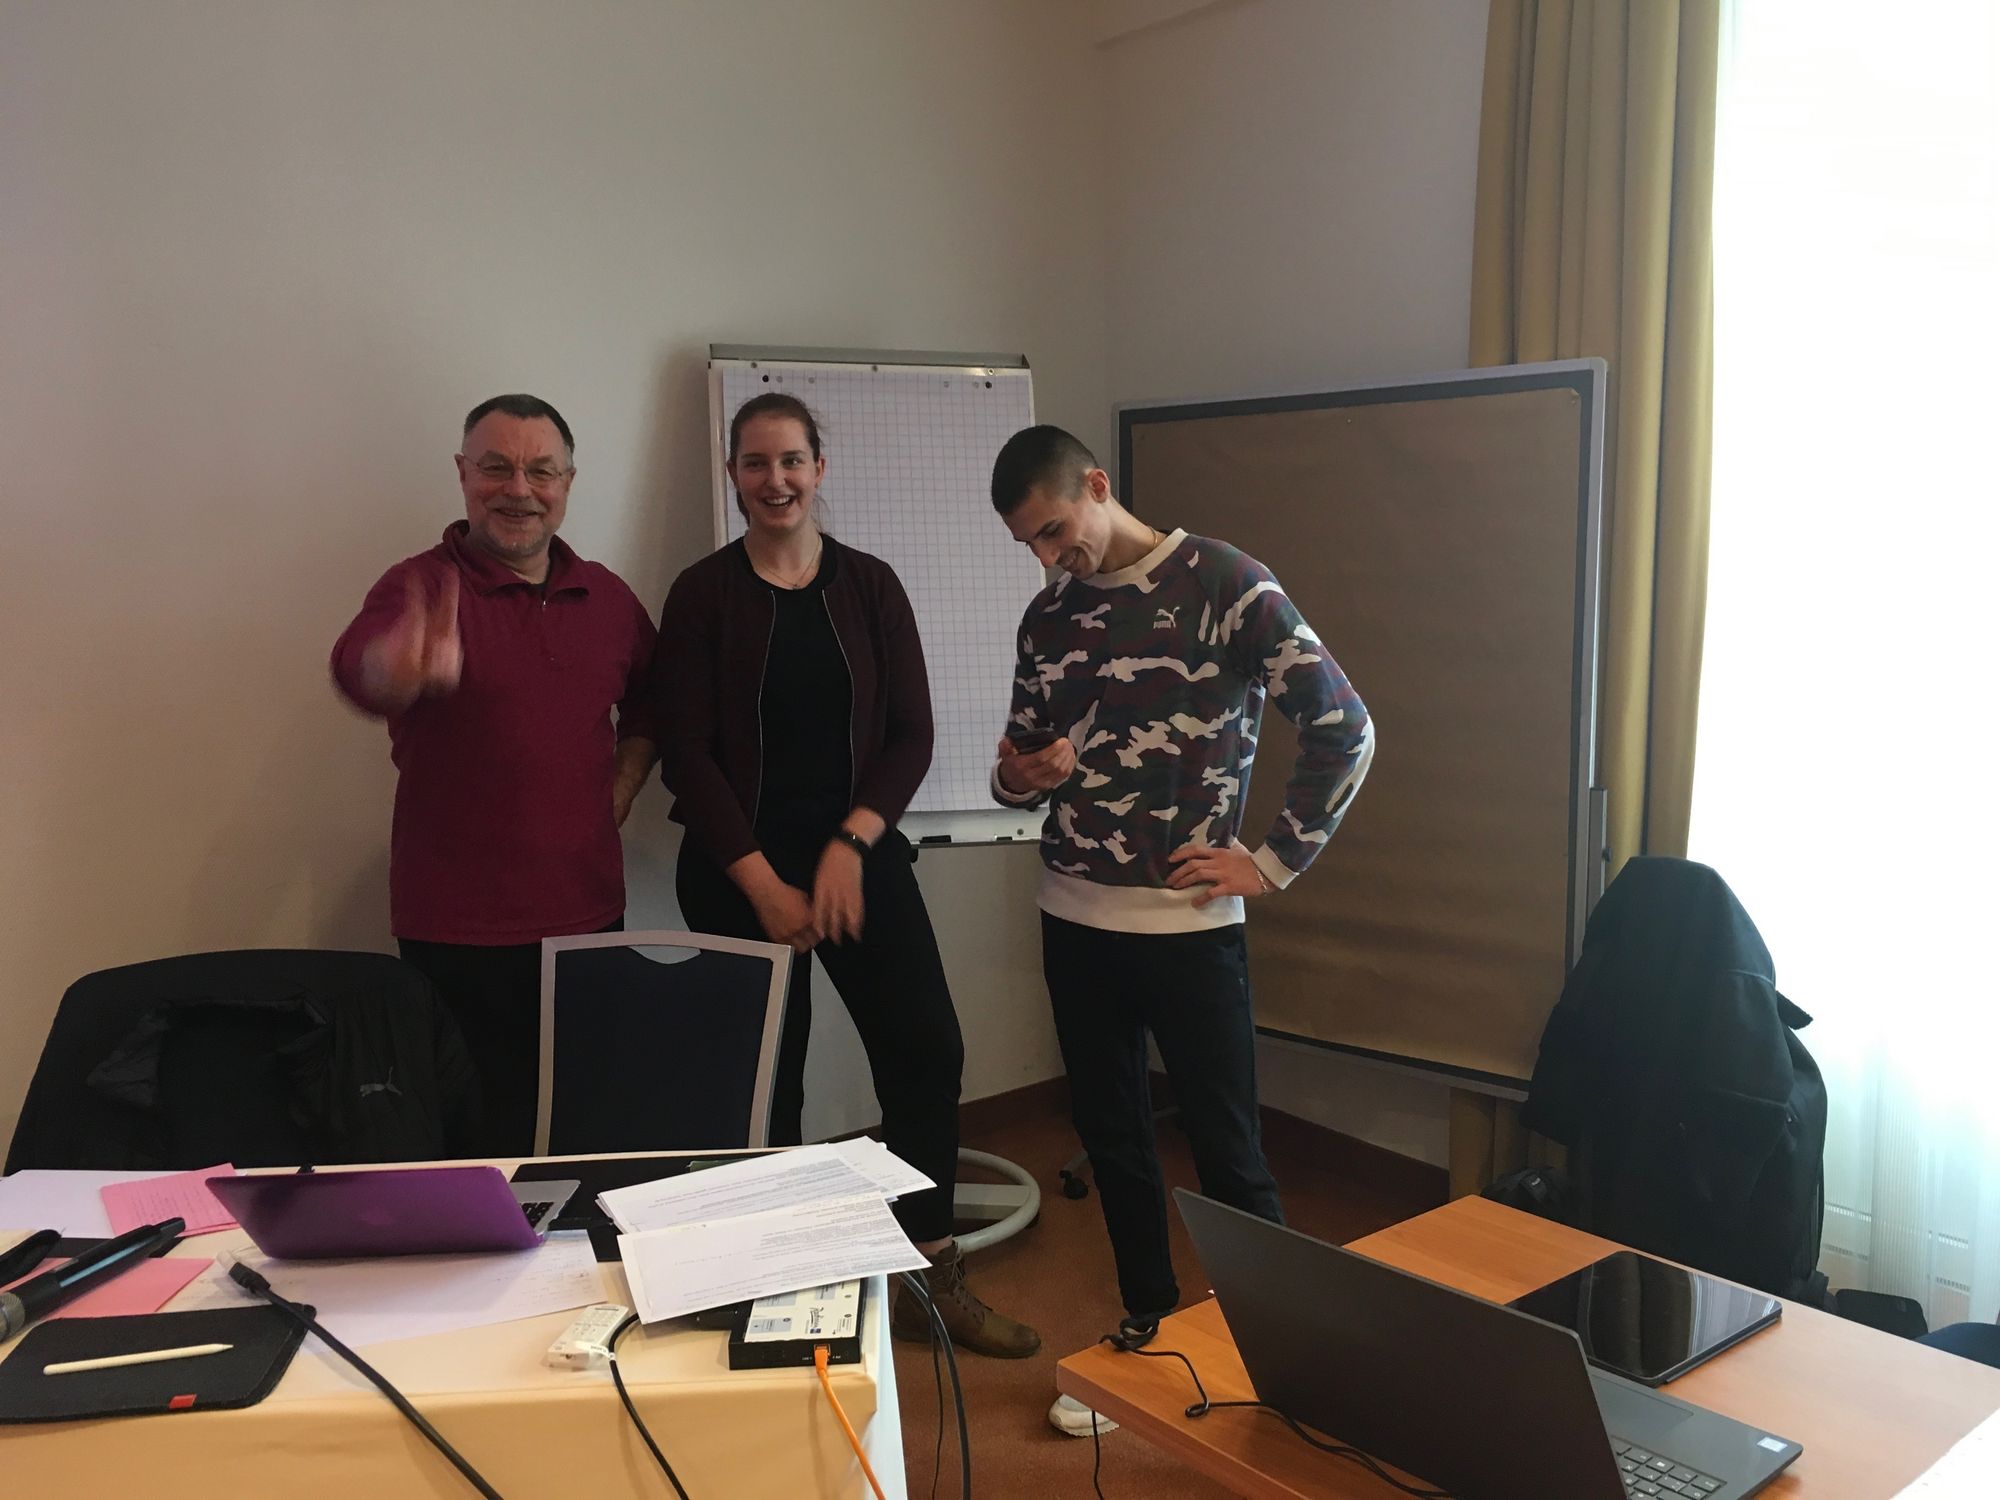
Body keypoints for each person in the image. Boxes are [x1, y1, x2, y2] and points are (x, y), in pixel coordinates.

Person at [987, 424, 1375, 1434]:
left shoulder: (1224, 583)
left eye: (1054, 530)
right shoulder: (1048, 617)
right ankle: (1150, 1328)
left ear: (1096, 486)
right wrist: (1016, 778)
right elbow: (1018, 768)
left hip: (1189, 930)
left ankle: (1289, 1358)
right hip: (1072, 918)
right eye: (1029, 543)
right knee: (1113, 1140)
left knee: (1227, 1150)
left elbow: (1343, 726)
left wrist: (1273, 861)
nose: (1048, 557)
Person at [649, 392, 1039, 1359]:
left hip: (858, 864)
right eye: (754, 462)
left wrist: (847, 847)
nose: (774, 479)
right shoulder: (701, 594)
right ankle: (773, 1288)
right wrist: (763, 885)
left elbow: (912, 734)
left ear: (819, 469)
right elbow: (686, 753)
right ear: (733, 475)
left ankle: (929, 1274)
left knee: (927, 1051)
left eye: (791, 460)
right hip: (738, 875)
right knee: (763, 1088)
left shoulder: (870, 585)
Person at [330, 394, 659, 1156]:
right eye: (496, 468)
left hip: (587, 920)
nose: (519, 489)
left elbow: (656, 698)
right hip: (456, 932)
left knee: (582, 1128)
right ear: (462, 474)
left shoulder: (607, 597)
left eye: (541, 471)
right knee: (474, 1144)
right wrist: (395, 671)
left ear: (568, 482)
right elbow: (359, 670)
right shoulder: (418, 587)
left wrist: (624, 782)